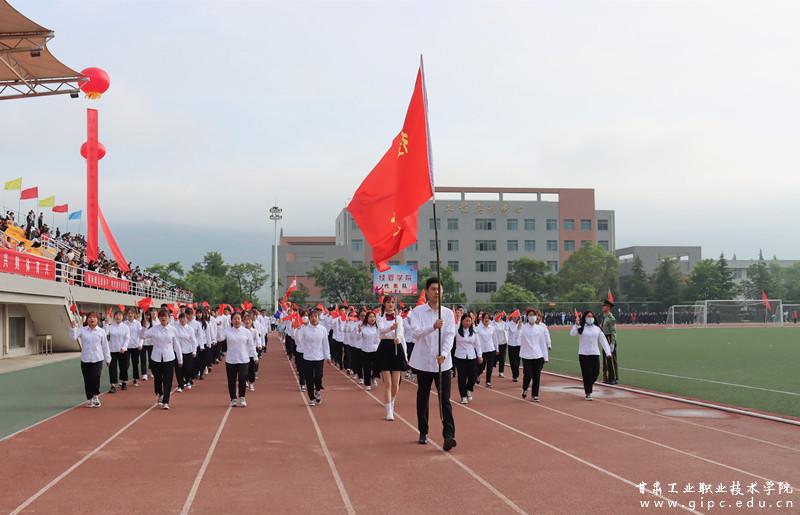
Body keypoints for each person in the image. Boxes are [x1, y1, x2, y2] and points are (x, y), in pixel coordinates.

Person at [408, 277, 457, 451]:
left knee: (445, 400)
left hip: (442, 363)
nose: (437, 292)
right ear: (427, 291)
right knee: (423, 397)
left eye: (439, 289)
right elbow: (415, 333)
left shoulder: (448, 313)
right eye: (433, 289)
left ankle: (449, 436)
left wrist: (444, 353)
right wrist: (433, 327)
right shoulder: (418, 312)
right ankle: (423, 431)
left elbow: (450, 335)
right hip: (423, 362)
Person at [143, 309, 182, 410]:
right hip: (156, 357)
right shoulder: (154, 329)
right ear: (159, 318)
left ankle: (166, 401)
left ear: (169, 317)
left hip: (169, 357)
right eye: (161, 316)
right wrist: (144, 327)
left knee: (167, 380)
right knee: (157, 379)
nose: (163, 318)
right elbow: (143, 336)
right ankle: (160, 393)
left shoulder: (173, 330)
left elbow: (177, 345)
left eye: (165, 316)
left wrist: (180, 359)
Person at [69, 312, 110, 407]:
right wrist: (73, 328)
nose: (92, 319)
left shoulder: (101, 331)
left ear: (97, 320)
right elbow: (73, 338)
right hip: (85, 359)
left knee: (96, 378)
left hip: (97, 359)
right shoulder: (82, 330)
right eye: (90, 317)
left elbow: (105, 346)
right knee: (87, 379)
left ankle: (95, 396)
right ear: (87, 320)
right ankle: (89, 398)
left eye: (94, 317)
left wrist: (108, 358)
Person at [569, 310, 612, 400]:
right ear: (585, 318)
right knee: (587, 374)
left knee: (596, 372)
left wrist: (608, 352)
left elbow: (603, 340)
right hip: (584, 354)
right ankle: (588, 392)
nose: (590, 318)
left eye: (591, 316)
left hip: (595, 353)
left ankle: (588, 384)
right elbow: (572, 334)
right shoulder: (581, 327)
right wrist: (576, 324)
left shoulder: (597, 328)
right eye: (588, 316)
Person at [376, 297, 407, 421]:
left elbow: (401, 331)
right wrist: (391, 328)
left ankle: (392, 400)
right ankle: (389, 410)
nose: (390, 304)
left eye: (393, 302)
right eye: (388, 302)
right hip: (384, 347)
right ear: (384, 304)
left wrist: (398, 338)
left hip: (396, 347)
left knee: (396, 384)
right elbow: (381, 330)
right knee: (388, 383)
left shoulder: (398, 318)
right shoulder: (380, 317)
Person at [296, 310, 331, 406]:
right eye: (311, 317)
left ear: (318, 317)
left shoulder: (323, 329)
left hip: (319, 357)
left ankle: (318, 390)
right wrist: (298, 330)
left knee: (319, 376)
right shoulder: (304, 329)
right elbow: (298, 341)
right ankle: (311, 398)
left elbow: (325, 344)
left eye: (315, 316)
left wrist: (327, 356)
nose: (314, 318)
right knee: (309, 378)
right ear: (309, 318)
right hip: (307, 357)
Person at [223, 312, 257, 407]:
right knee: (231, 380)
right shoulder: (227, 331)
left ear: (241, 320)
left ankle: (242, 397)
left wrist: (255, 356)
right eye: (234, 319)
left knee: (242, 378)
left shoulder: (246, 332)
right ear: (231, 321)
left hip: (243, 359)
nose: (236, 320)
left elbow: (251, 345)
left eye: (238, 318)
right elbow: (219, 338)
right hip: (231, 359)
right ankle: (233, 398)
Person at [519, 309, 550, 402]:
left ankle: (535, 395)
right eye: (530, 315)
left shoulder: (540, 328)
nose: (532, 317)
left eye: (534, 315)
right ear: (527, 317)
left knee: (537, 376)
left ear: (536, 317)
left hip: (538, 355)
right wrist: (518, 327)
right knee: (528, 375)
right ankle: (525, 388)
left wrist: (545, 357)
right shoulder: (523, 328)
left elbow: (542, 343)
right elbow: (517, 337)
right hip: (526, 355)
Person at [453, 313, 481, 404]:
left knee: (473, 376)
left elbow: (477, 345)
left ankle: (469, 389)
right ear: (462, 321)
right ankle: (463, 396)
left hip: (471, 357)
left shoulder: (474, 332)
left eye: (469, 321)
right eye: (466, 321)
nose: (468, 323)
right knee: (462, 377)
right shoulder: (456, 331)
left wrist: (480, 355)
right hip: (460, 357)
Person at [106, 310, 131, 393]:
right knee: (112, 368)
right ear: (114, 317)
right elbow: (105, 334)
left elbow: (127, 338)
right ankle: (113, 385)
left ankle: (124, 382)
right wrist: (106, 324)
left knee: (124, 367)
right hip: (113, 350)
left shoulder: (126, 327)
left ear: (122, 317)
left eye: (120, 315)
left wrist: (124, 347)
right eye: (116, 315)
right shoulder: (110, 326)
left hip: (123, 350)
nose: (118, 317)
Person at [174, 313, 198, 392]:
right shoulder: (175, 328)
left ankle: (187, 380)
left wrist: (194, 351)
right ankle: (180, 385)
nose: (182, 320)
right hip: (178, 351)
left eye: (184, 318)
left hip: (188, 351)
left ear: (186, 319)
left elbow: (194, 341)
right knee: (178, 369)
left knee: (188, 369)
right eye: (181, 318)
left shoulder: (190, 329)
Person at [475, 312, 499, 388]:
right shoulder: (478, 328)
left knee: (490, 366)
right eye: (485, 318)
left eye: (488, 318)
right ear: (482, 319)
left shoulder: (492, 328)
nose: (486, 319)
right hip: (482, 350)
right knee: (481, 367)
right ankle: (477, 374)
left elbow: (495, 339)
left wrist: (497, 348)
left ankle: (488, 381)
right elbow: (476, 340)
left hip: (491, 349)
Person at [359, 311, 380, 392]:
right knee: (367, 368)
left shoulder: (378, 327)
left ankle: (373, 377)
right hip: (366, 350)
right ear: (367, 318)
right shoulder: (363, 327)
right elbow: (358, 338)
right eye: (370, 317)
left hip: (376, 350)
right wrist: (359, 331)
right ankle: (367, 384)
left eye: (373, 317)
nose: (372, 318)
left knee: (377, 367)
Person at [124, 308, 143, 387]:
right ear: (127, 314)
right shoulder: (124, 323)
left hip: (135, 346)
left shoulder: (138, 323)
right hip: (126, 347)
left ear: (134, 314)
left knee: (135, 363)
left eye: (131, 313)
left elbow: (141, 335)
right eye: (128, 313)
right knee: (125, 364)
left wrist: (140, 344)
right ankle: (124, 380)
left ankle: (135, 379)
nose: (130, 315)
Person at [601, 300, 618, 385]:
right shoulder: (604, 317)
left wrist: (613, 343)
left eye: (604, 306)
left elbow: (613, 331)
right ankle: (607, 377)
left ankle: (613, 378)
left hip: (609, 338)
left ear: (608, 307)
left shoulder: (611, 318)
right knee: (605, 358)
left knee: (611, 359)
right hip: (605, 338)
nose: (602, 307)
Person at [506, 311, 522, 382]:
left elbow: (521, 334)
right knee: (513, 361)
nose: (515, 318)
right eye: (514, 316)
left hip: (518, 344)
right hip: (511, 344)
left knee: (517, 361)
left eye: (517, 316)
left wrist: (520, 326)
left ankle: (515, 374)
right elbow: (506, 328)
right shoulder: (509, 323)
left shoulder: (520, 324)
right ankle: (515, 375)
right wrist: (507, 320)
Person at [493, 312, 509, 378]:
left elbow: (507, 329)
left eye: (498, 315)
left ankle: (501, 372)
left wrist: (507, 319)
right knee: (495, 357)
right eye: (496, 315)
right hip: (495, 343)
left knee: (502, 358)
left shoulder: (504, 323)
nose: (497, 316)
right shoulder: (492, 323)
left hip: (503, 342)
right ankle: (492, 364)